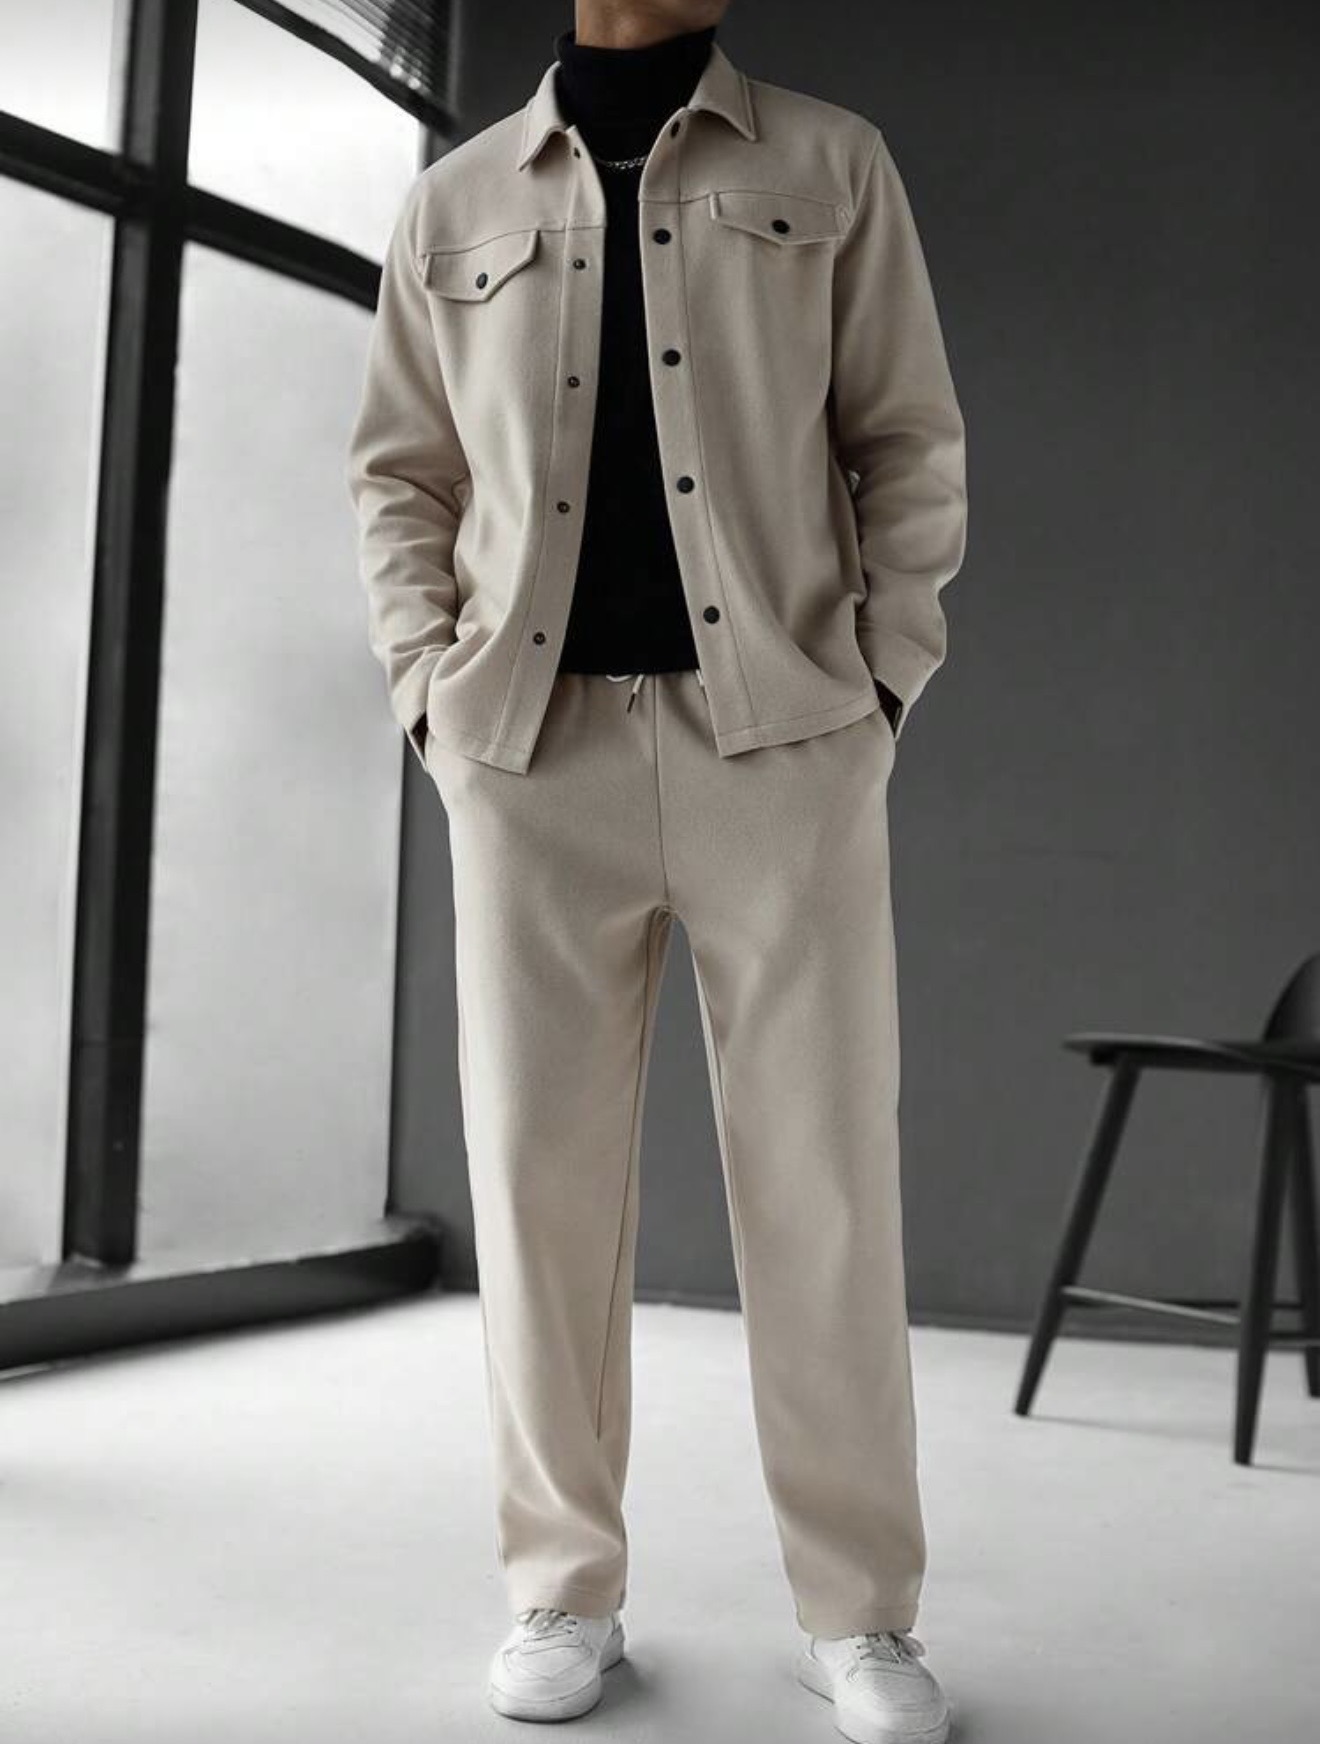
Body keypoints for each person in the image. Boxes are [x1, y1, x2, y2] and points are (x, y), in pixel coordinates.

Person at [346, 2, 967, 1737]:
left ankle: (863, 1615)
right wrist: (427, 692)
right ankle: (563, 1589)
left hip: (780, 746)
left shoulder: (832, 164)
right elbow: (400, 473)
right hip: (528, 755)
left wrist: (881, 683)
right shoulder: (455, 199)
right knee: (538, 1187)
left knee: (825, 1187)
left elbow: (908, 442)